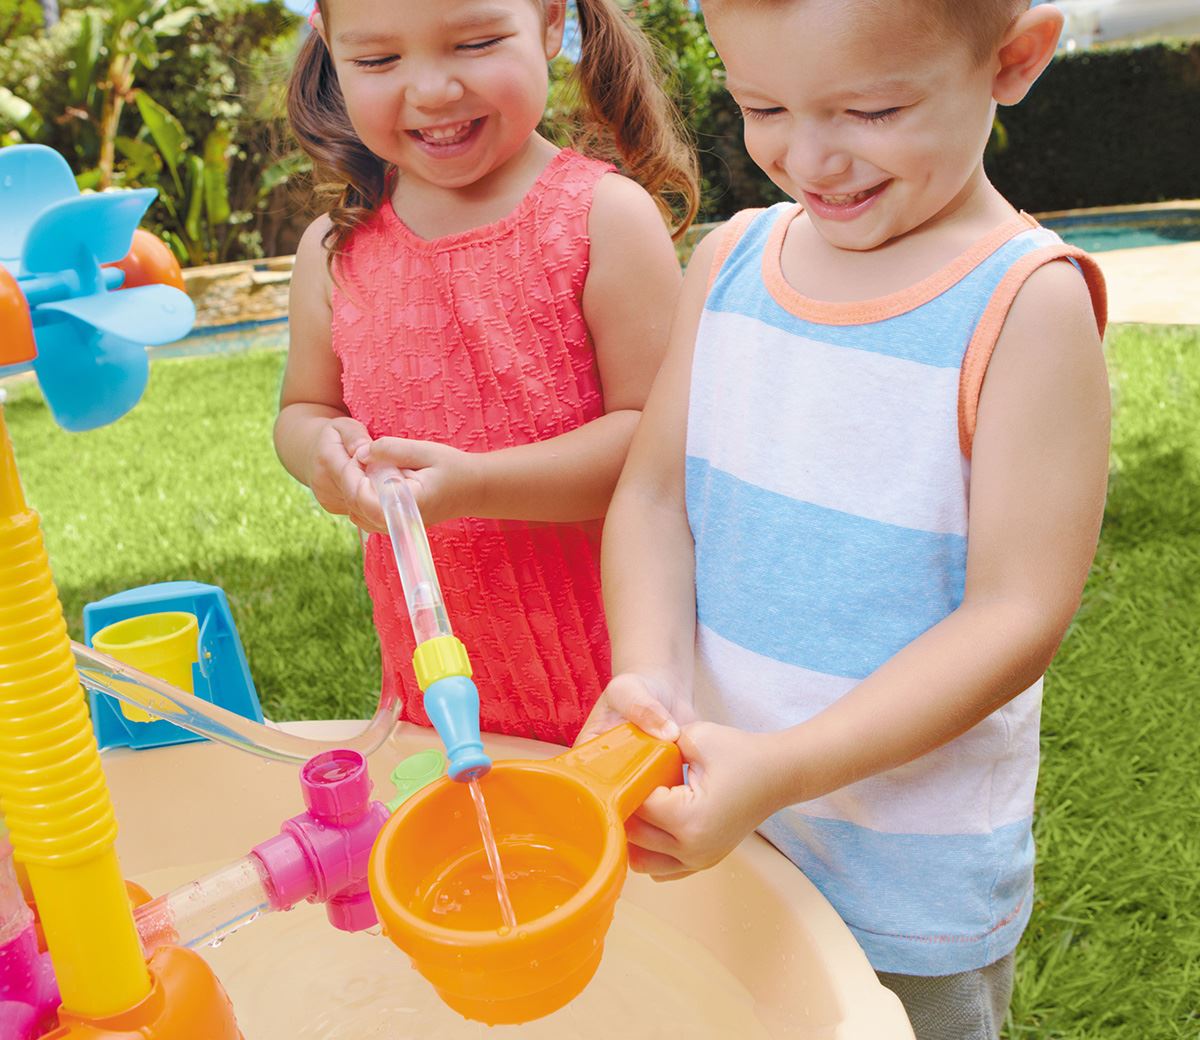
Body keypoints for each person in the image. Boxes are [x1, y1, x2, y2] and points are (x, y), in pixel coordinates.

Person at [577, 1, 1108, 1036]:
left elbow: (1016, 614)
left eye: (868, 109)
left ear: (1014, 58)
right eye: (762, 105)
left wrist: (785, 765)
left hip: (902, 883)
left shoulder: (1024, 305)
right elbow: (651, 496)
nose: (809, 156)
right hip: (723, 829)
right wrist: (647, 679)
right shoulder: (729, 263)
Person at [275, 0, 697, 745]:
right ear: (329, 48)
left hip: (621, 681)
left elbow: (657, 449)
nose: (432, 90)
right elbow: (303, 407)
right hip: (434, 690)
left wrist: (473, 484)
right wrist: (320, 454)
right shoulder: (334, 250)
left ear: (551, 24)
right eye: (378, 61)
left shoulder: (602, 218)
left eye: (474, 43)